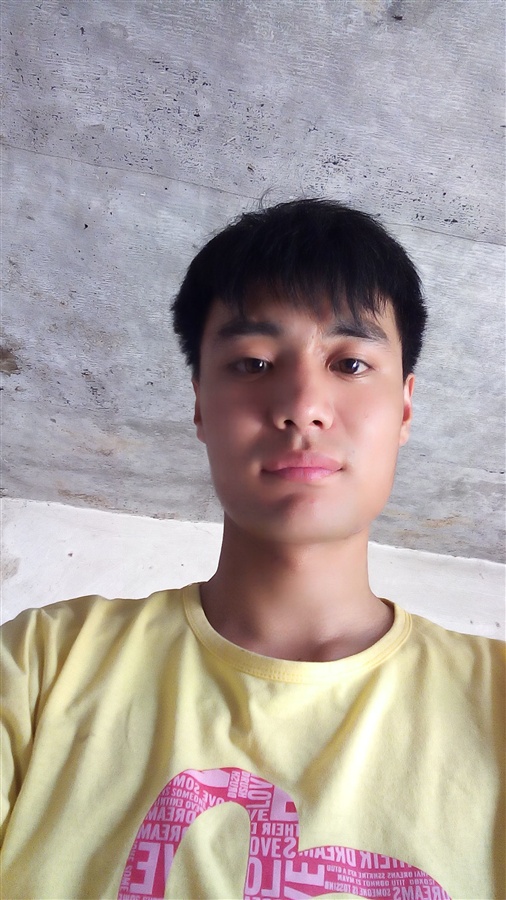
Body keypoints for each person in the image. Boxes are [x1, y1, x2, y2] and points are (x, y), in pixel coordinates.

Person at [1, 199, 504, 900]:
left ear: (405, 408)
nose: (302, 404)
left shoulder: (495, 702)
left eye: (350, 363)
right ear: (199, 404)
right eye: (254, 363)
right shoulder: (40, 667)